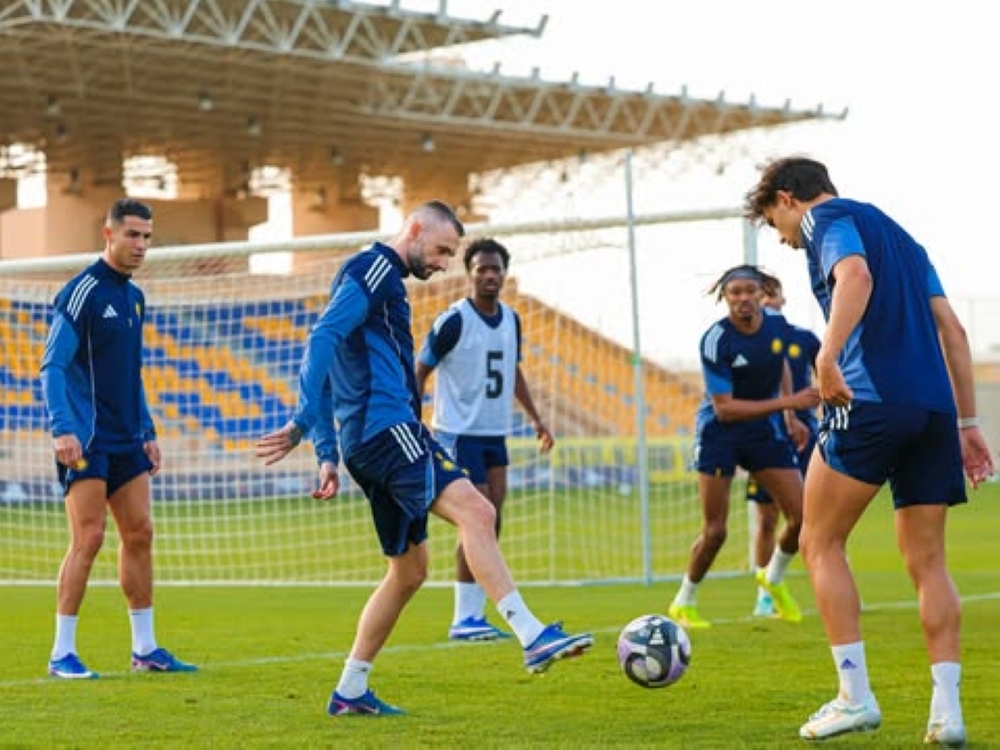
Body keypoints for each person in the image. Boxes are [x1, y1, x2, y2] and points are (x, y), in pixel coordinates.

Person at [255, 201, 592, 717]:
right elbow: (321, 338)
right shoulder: (374, 268)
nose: (441, 263)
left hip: (364, 442)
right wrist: (303, 422)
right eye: (440, 250)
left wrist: (326, 451)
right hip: (389, 431)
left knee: (409, 571)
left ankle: (349, 690)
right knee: (478, 511)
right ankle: (531, 634)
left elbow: (330, 355)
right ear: (412, 230)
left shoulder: (373, 279)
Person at [743, 156, 995, 745]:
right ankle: (948, 714)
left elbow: (854, 277)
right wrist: (968, 421)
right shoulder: (905, 239)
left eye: (776, 227)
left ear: (787, 199)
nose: (784, 241)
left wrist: (827, 356)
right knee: (929, 563)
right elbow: (952, 332)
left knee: (819, 539)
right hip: (933, 410)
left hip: (870, 400)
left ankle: (854, 698)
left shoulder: (824, 221)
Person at [40, 198, 198, 679]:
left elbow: (131, 374)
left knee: (141, 534)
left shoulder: (134, 298)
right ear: (108, 234)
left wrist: (147, 431)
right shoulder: (82, 291)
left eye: (147, 237)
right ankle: (62, 652)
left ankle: (145, 648)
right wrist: (62, 427)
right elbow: (52, 366)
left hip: (128, 438)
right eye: (133, 235)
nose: (141, 246)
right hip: (86, 439)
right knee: (88, 538)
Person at [415, 237, 554, 642]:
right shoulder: (454, 319)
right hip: (458, 433)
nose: (490, 275)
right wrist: (414, 415)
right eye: (482, 269)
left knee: (493, 519)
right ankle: (465, 617)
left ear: (504, 274)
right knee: (476, 518)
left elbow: (513, 371)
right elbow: (420, 368)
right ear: (469, 273)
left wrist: (537, 420)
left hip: (496, 432)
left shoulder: (512, 319)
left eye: (496, 269)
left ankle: (473, 616)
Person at [668, 264, 820, 630]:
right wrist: (789, 404)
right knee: (716, 531)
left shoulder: (776, 328)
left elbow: (780, 360)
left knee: (804, 518)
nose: (743, 299)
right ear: (725, 298)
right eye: (734, 292)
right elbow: (726, 407)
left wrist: (790, 416)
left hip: (764, 432)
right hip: (720, 434)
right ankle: (684, 600)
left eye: (749, 291)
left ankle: (773, 578)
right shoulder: (716, 340)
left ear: (760, 293)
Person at [745, 273, 821, 617]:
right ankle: (764, 594)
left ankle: (835, 583)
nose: (766, 301)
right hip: (767, 436)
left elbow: (831, 375)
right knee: (766, 518)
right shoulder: (746, 340)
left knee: (819, 513)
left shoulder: (803, 339)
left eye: (771, 294)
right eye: (762, 295)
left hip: (806, 434)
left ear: (782, 299)